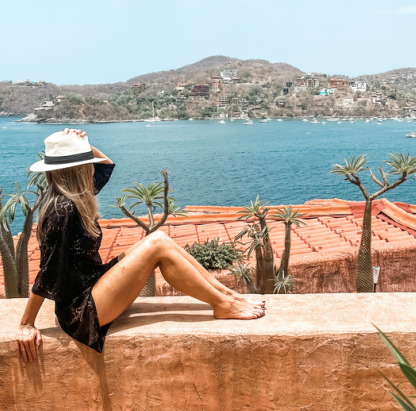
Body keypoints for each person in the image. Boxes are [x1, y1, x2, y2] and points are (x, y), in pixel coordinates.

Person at [16, 128, 265, 361]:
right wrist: (27, 323)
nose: (93, 167)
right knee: (156, 244)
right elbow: (48, 271)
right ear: (79, 170)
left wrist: (82, 145)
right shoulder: (63, 210)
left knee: (159, 239)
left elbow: (106, 166)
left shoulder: (73, 196)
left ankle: (226, 295)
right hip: (81, 310)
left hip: (93, 286)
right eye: (86, 163)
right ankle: (223, 304)